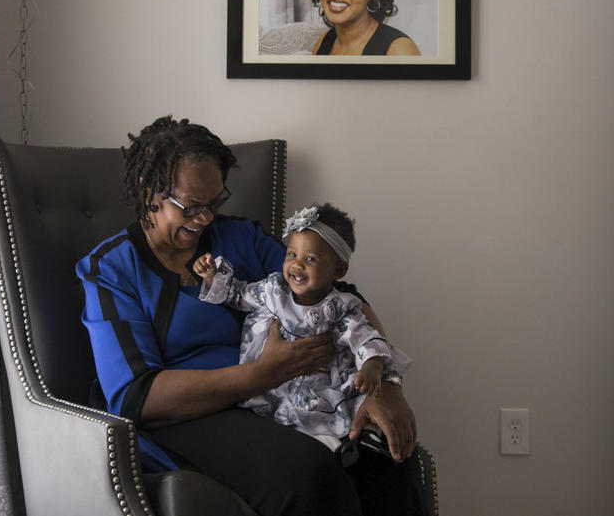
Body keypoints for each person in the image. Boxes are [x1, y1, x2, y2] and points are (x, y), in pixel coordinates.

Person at [77, 116, 422, 516]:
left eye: (215, 202)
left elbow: (342, 296)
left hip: (284, 397)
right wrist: (264, 373)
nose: (205, 218)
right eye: (191, 206)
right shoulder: (110, 269)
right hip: (188, 417)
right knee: (308, 473)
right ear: (148, 191)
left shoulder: (241, 238)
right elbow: (136, 397)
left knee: (385, 449)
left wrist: (386, 388)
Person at [192, 203, 412, 461]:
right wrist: (212, 277)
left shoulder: (338, 307)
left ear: (338, 270)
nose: (297, 266)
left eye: (310, 259)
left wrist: (372, 368)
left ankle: (343, 447)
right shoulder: (273, 289)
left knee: (325, 416)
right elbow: (239, 294)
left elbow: (363, 336)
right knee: (277, 418)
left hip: (317, 384)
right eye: (291, 255)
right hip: (271, 383)